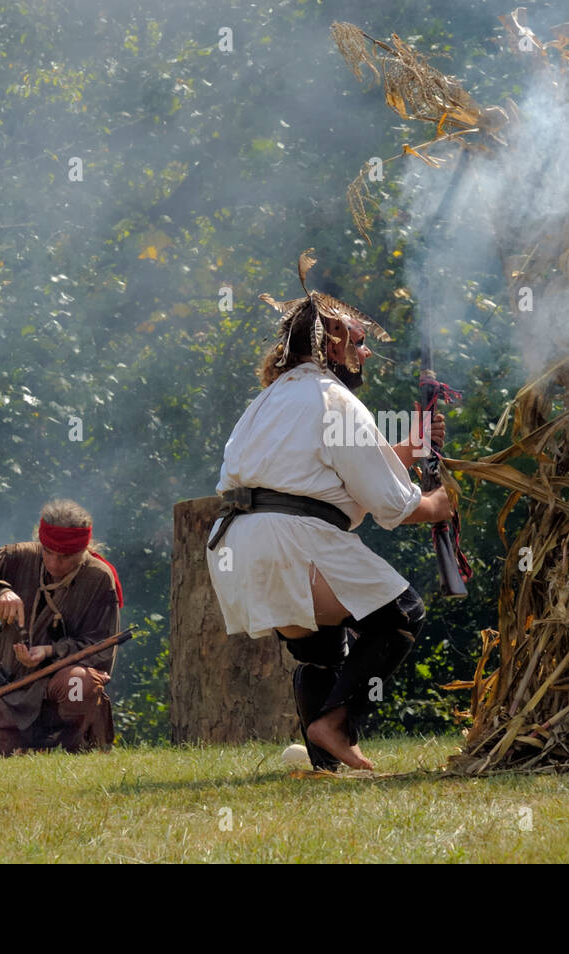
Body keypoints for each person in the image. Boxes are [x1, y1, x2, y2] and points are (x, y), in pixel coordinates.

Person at [205, 250, 452, 771]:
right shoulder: (333, 399)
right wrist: (440, 504)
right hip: (290, 539)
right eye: (358, 342)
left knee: (322, 650)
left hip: (241, 544)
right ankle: (334, 726)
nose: (365, 351)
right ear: (331, 346)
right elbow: (393, 504)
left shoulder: (274, 398)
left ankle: (323, 763)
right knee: (401, 613)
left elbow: (331, 473)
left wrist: (410, 449)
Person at [0, 499, 124, 757]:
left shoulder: (99, 578)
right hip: (9, 689)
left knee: (80, 683)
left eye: (65, 557)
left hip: (59, 686)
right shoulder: (18, 556)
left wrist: (50, 652)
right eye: (48, 552)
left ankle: (76, 749)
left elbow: (102, 650)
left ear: (83, 550)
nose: (54, 563)